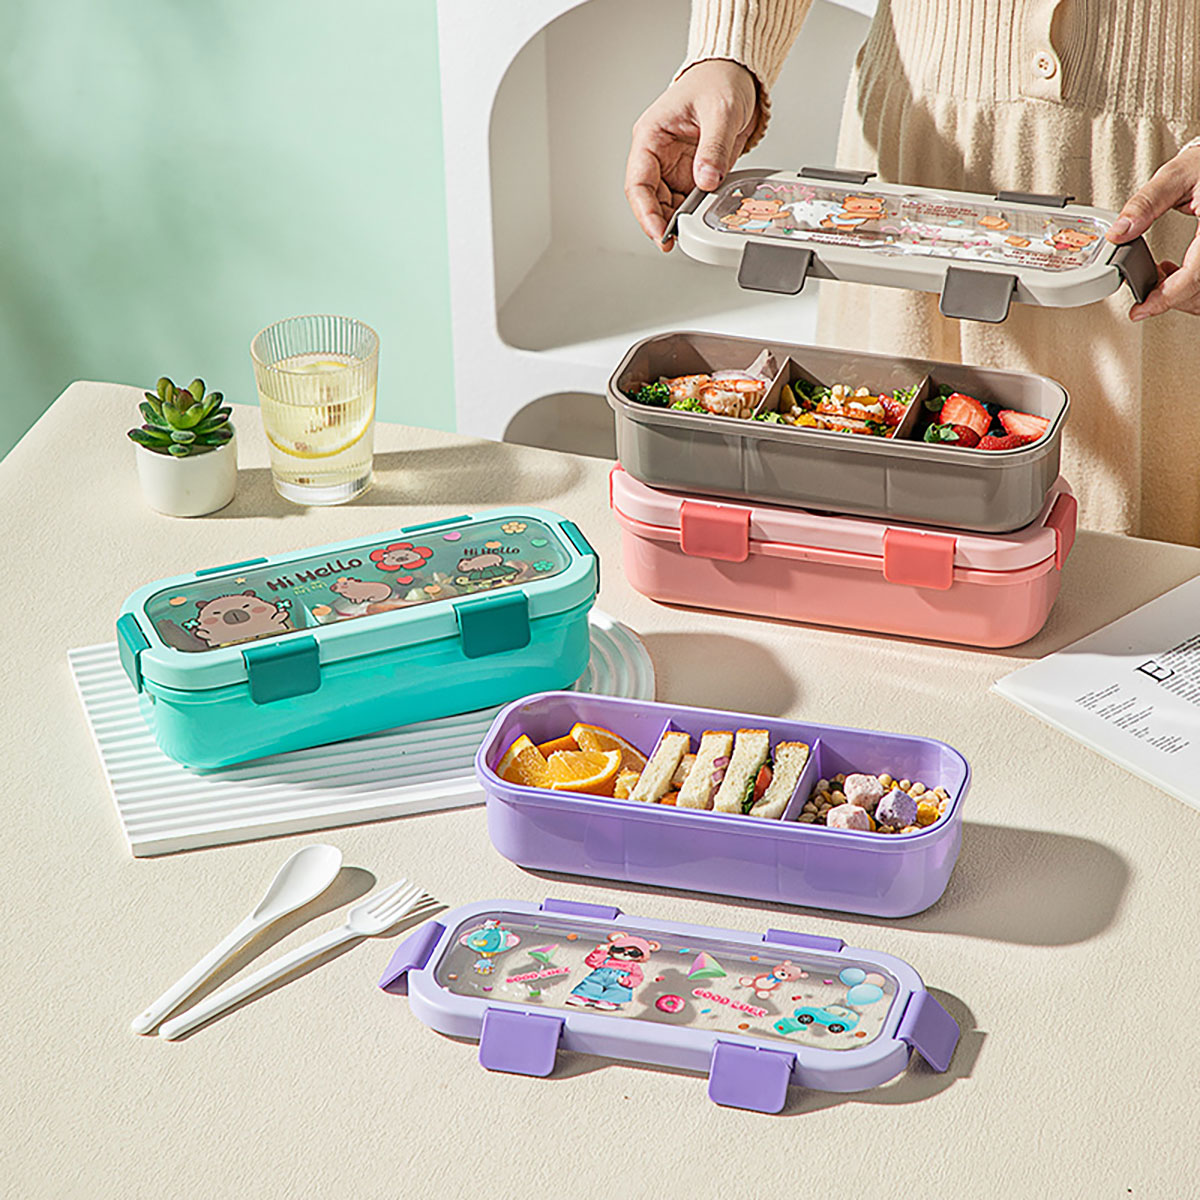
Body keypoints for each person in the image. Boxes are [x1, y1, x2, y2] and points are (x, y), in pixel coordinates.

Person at [625, 1, 1200, 545]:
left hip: (1165, 183)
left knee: (1141, 549)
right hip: (904, 173)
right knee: (868, 510)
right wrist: (728, 53)